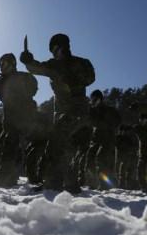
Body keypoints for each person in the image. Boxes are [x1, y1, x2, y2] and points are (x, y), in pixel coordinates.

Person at [20, 34, 95, 192]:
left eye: (55, 49)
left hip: (77, 111)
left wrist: (71, 78)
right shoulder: (53, 65)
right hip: (60, 114)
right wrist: (27, 60)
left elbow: (90, 78)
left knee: (56, 143)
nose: (54, 53)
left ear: (63, 47)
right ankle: (71, 185)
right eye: (52, 50)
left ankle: (53, 184)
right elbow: (36, 68)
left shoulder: (81, 63)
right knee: (64, 147)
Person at [0, 53, 38, 186]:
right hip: (10, 120)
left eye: (4, 63)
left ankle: (38, 177)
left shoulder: (24, 77)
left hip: (28, 117)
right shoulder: (0, 81)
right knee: (7, 146)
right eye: (0, 64)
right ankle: (7, 177)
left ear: (12, 64)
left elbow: (33, 88)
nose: (1, 66)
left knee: (36, 145)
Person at [85, 89, 121, 190]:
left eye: (95, 99)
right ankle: (92, 183)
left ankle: (104, 184)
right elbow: (89, 122)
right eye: (92, 99)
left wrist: (107, 125)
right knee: (90, 158)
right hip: (96, 139)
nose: (93, 101)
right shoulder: (91, 110)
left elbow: (118, 121)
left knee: (101, 159)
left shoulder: (110, 110)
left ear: (100, 99)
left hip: (108, 139)